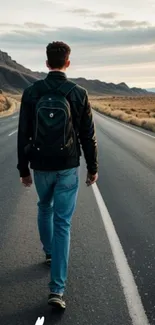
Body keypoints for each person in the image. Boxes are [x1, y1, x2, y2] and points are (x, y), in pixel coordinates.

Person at [17, 41, 98, 309]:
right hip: (67, 166)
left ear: (46, 62)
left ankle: (49, 252)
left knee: (44, 206)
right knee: (63, 223)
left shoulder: (31, 92)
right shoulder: (78, 93)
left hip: (40, 165)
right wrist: (93, 167)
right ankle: (57, 290)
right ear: (68, 62)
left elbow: (23, 133)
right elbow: (88, 135)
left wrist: (23, 169)